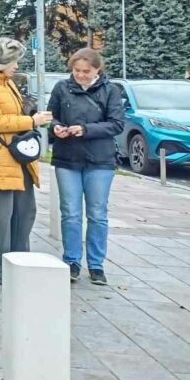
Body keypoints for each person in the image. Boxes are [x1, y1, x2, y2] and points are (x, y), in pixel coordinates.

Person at [0, 37, 53, 284]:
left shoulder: (5, 82)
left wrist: (31, 115)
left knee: (24, 211)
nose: (17, 66)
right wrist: (32, 122)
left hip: (17, 155)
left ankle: (18, 259)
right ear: (0, 62)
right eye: (13, 62)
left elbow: (13, 114)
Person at [48, 48, 124, 285]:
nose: (80, 75)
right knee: (70, 212)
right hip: (67, 158)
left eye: (86, 71)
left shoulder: (110, 90)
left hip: (100, 160)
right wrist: (56, 128)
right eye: (76, 70)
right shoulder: (62, 88)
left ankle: (96, 264)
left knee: (97, 213)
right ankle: (71, 260)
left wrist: (86, 129)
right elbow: (52, 116)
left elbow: (117, 124)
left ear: (97, 70)